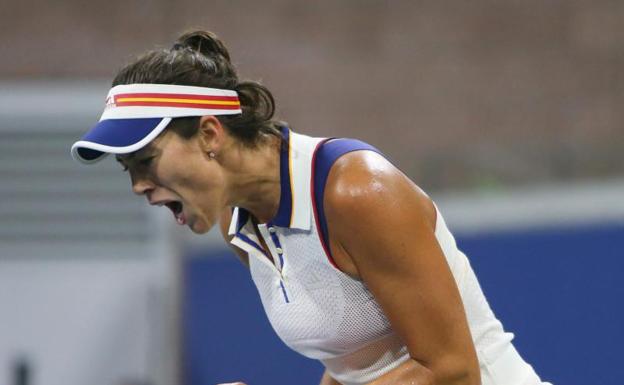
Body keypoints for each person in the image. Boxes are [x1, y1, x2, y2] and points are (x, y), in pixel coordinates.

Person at [71, 30, 551, 385]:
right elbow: (353, 368)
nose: (138, 186)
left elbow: (453, 370)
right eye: (127, 169)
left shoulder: (358, 192)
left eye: (146, 160)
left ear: (210, 133)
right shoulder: (237, 224)